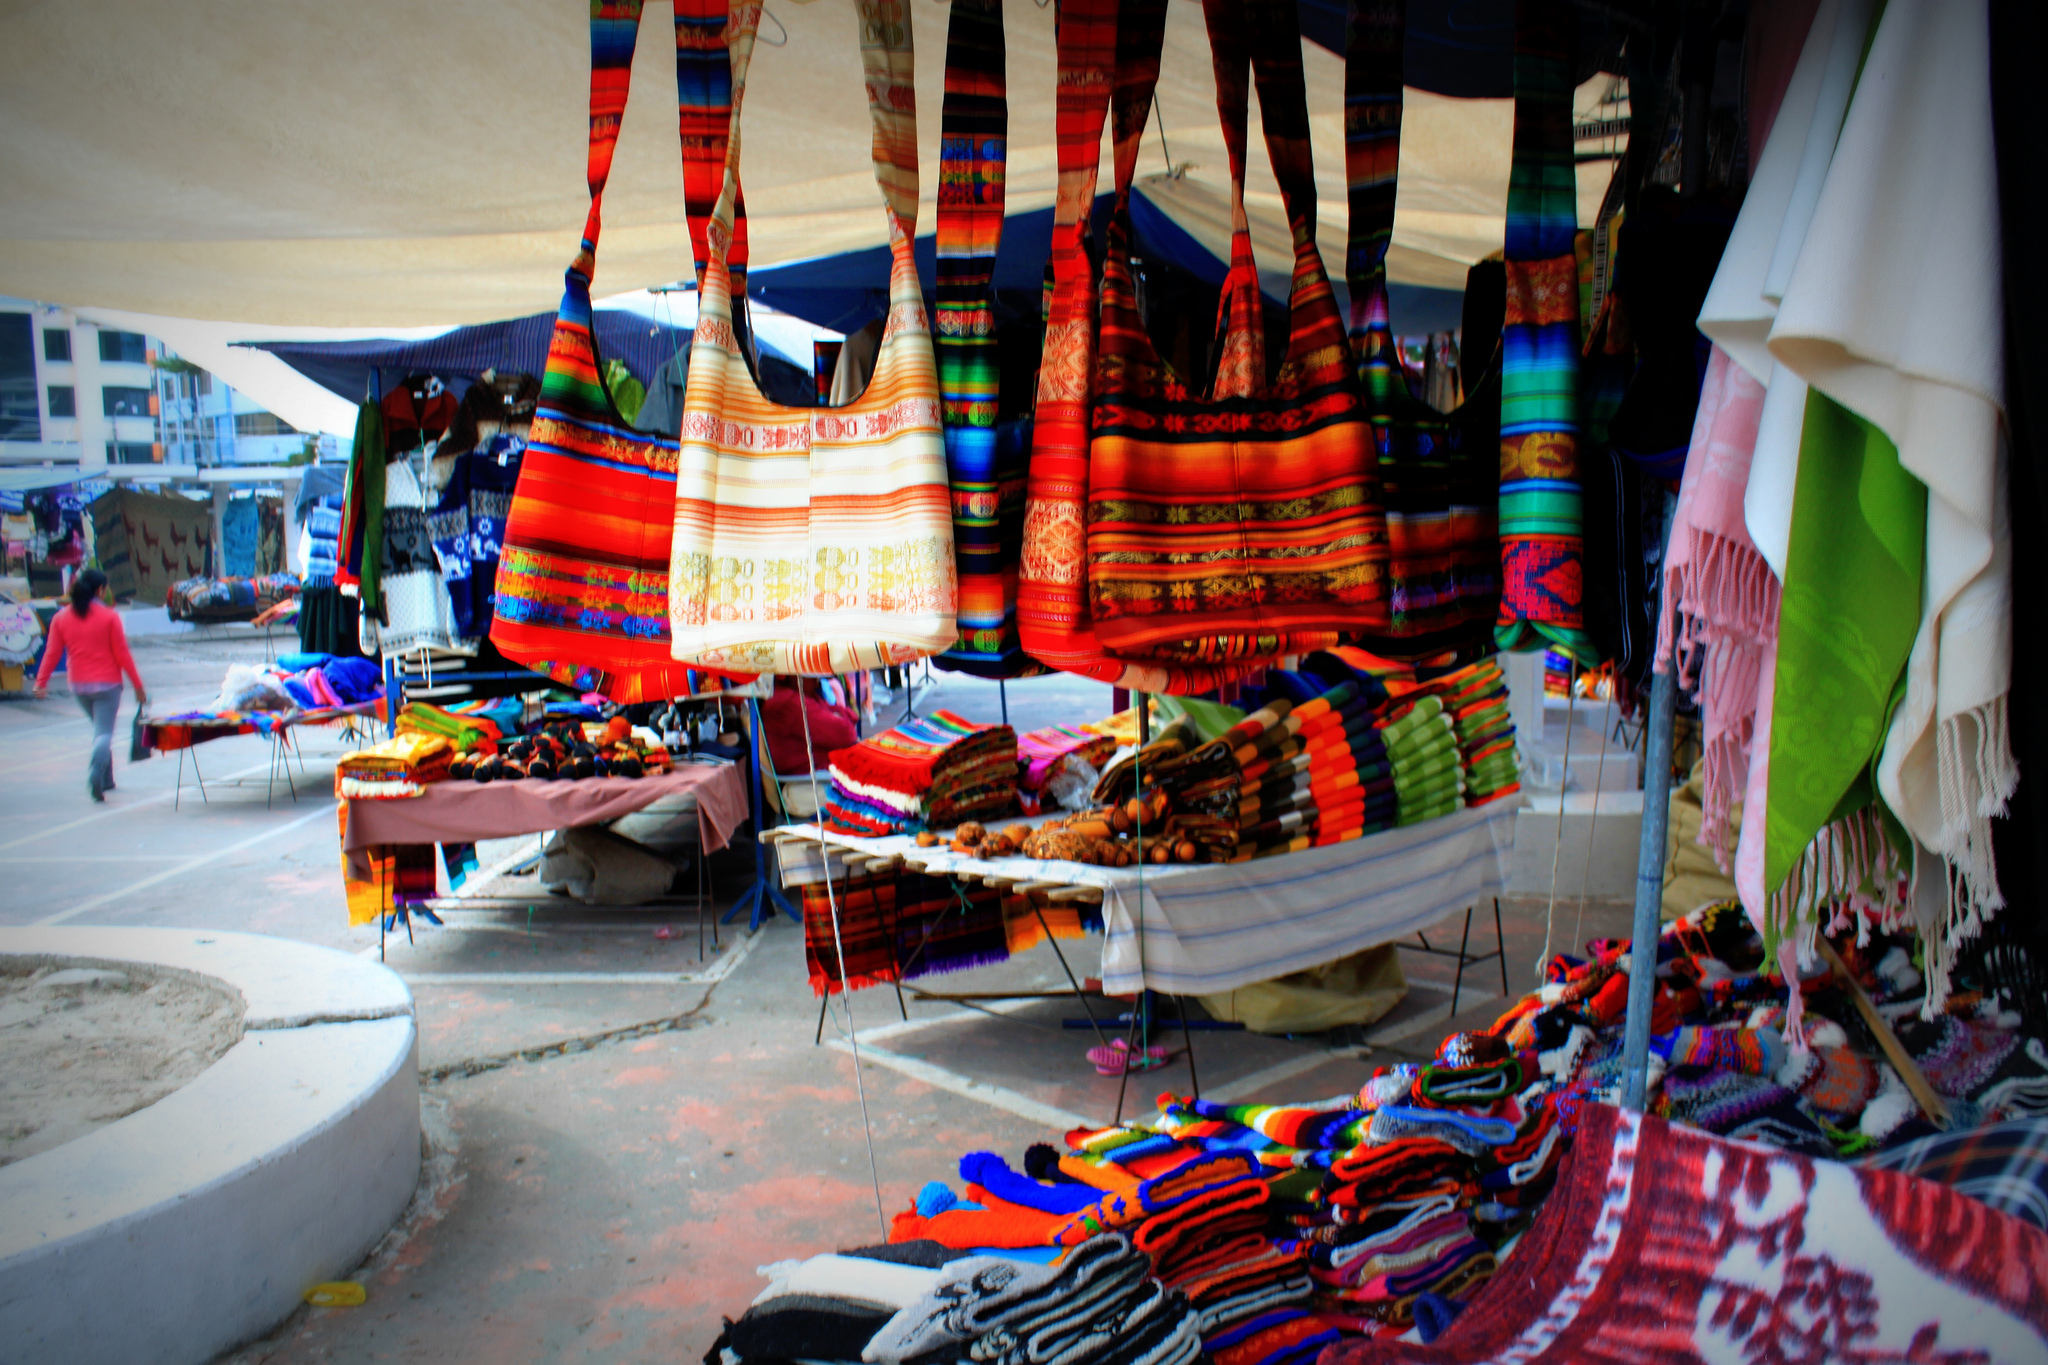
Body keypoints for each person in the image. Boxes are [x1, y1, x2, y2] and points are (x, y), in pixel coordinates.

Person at [33, 569, 146, 802]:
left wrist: (40, 682)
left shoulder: (61, 618)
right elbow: (122, 654)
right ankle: (96, 772)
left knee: (99, 729)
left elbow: (52, 653)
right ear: (100, 590)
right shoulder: (109, 616)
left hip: (78, 686)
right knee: (104, 733)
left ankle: (107, 780)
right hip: (107, 685)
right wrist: (138, 685)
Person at [758, 674, 860, 775]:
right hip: (813, 778)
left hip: (824, 772)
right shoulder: (789, 702)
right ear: (795, 675)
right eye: (811, 676)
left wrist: (841, 717)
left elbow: (853, 716)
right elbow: (846, 734)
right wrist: (839, 717)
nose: (817, 681)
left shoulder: (804, 695)